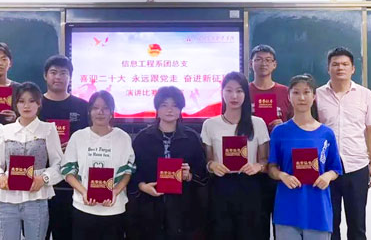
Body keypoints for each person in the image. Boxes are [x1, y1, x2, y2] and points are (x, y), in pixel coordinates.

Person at [316, 47, 371, 240]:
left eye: (345, 64)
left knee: (357, 225)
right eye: (335, 64)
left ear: (353, 69)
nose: (340, 68)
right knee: (330, 225)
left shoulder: (365, 95)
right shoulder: (317, 95)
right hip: (326, 168)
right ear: (328, 68)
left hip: (357, 167)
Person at [0, 82, 63, 240]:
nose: (26, 106)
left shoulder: (48, 129)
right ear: (15, 104)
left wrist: (44, 178)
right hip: (8, 199)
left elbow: (59, 164)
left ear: (39, 103)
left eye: (31, 101)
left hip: (36, 198)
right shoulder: (5, 131)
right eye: (21, 101)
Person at [268, 74, 342, 240]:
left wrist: (327, 176)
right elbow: (271, 168)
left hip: (318, 208)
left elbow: (335, 169)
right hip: (287, 209)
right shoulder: (280, 132)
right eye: (296, 92)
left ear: (314, 96)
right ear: (289, 96)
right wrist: (282, 175)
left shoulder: (326, 133)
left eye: (306, 92)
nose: (301, 98)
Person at [130, 86, 208, 240]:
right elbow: (132, 170)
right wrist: (142, 186)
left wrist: (189, 175)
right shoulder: (143, 138)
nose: (170, 110)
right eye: (164, 105)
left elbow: (203, 173)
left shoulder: (192, 138)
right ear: (157, 109)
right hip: (149, 206)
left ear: (181, 109)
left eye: (175, 105)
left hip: (183, 208)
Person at [201, 71, 269, 240]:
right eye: (229, 90)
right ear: (222, 92)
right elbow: (207, 160)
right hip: (221, 187)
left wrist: (257, 166)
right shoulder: (210, 124)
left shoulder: (258, 123)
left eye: (239, 91)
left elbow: (266, 161)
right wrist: (212, 165)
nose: (234, 96)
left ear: (246, 94)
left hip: (249, 186)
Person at [61, 90, 135, 240]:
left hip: (114, 209)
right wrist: (84, 192)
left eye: (105, 108)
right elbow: (67, 171)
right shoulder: (78, 137)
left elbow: (128, 170)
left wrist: (115, 191)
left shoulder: (122, 137)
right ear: (89, 112)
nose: (100, 112)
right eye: (95, 108)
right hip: (83, 208)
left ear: (112, 112)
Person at [39, 55, 89, 239]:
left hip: (72, 184)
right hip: (39, 183)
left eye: (63, 73)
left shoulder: (83, 107)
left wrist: (75, 144)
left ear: (70, 76)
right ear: (45, 75)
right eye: (53, 72)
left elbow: (91, 139)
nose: (58, 77)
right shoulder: (35, 105)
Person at [249, 44, 292, 240]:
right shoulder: (242, 91)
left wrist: (283, 125)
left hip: (280, 164)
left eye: (268, 60)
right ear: (251, 64)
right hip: (251, 164)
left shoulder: (286, 92)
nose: (263, 63)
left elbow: (297, 125)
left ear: (275, 64)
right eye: (258, 59)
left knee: (282, 222)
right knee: (257, 222)